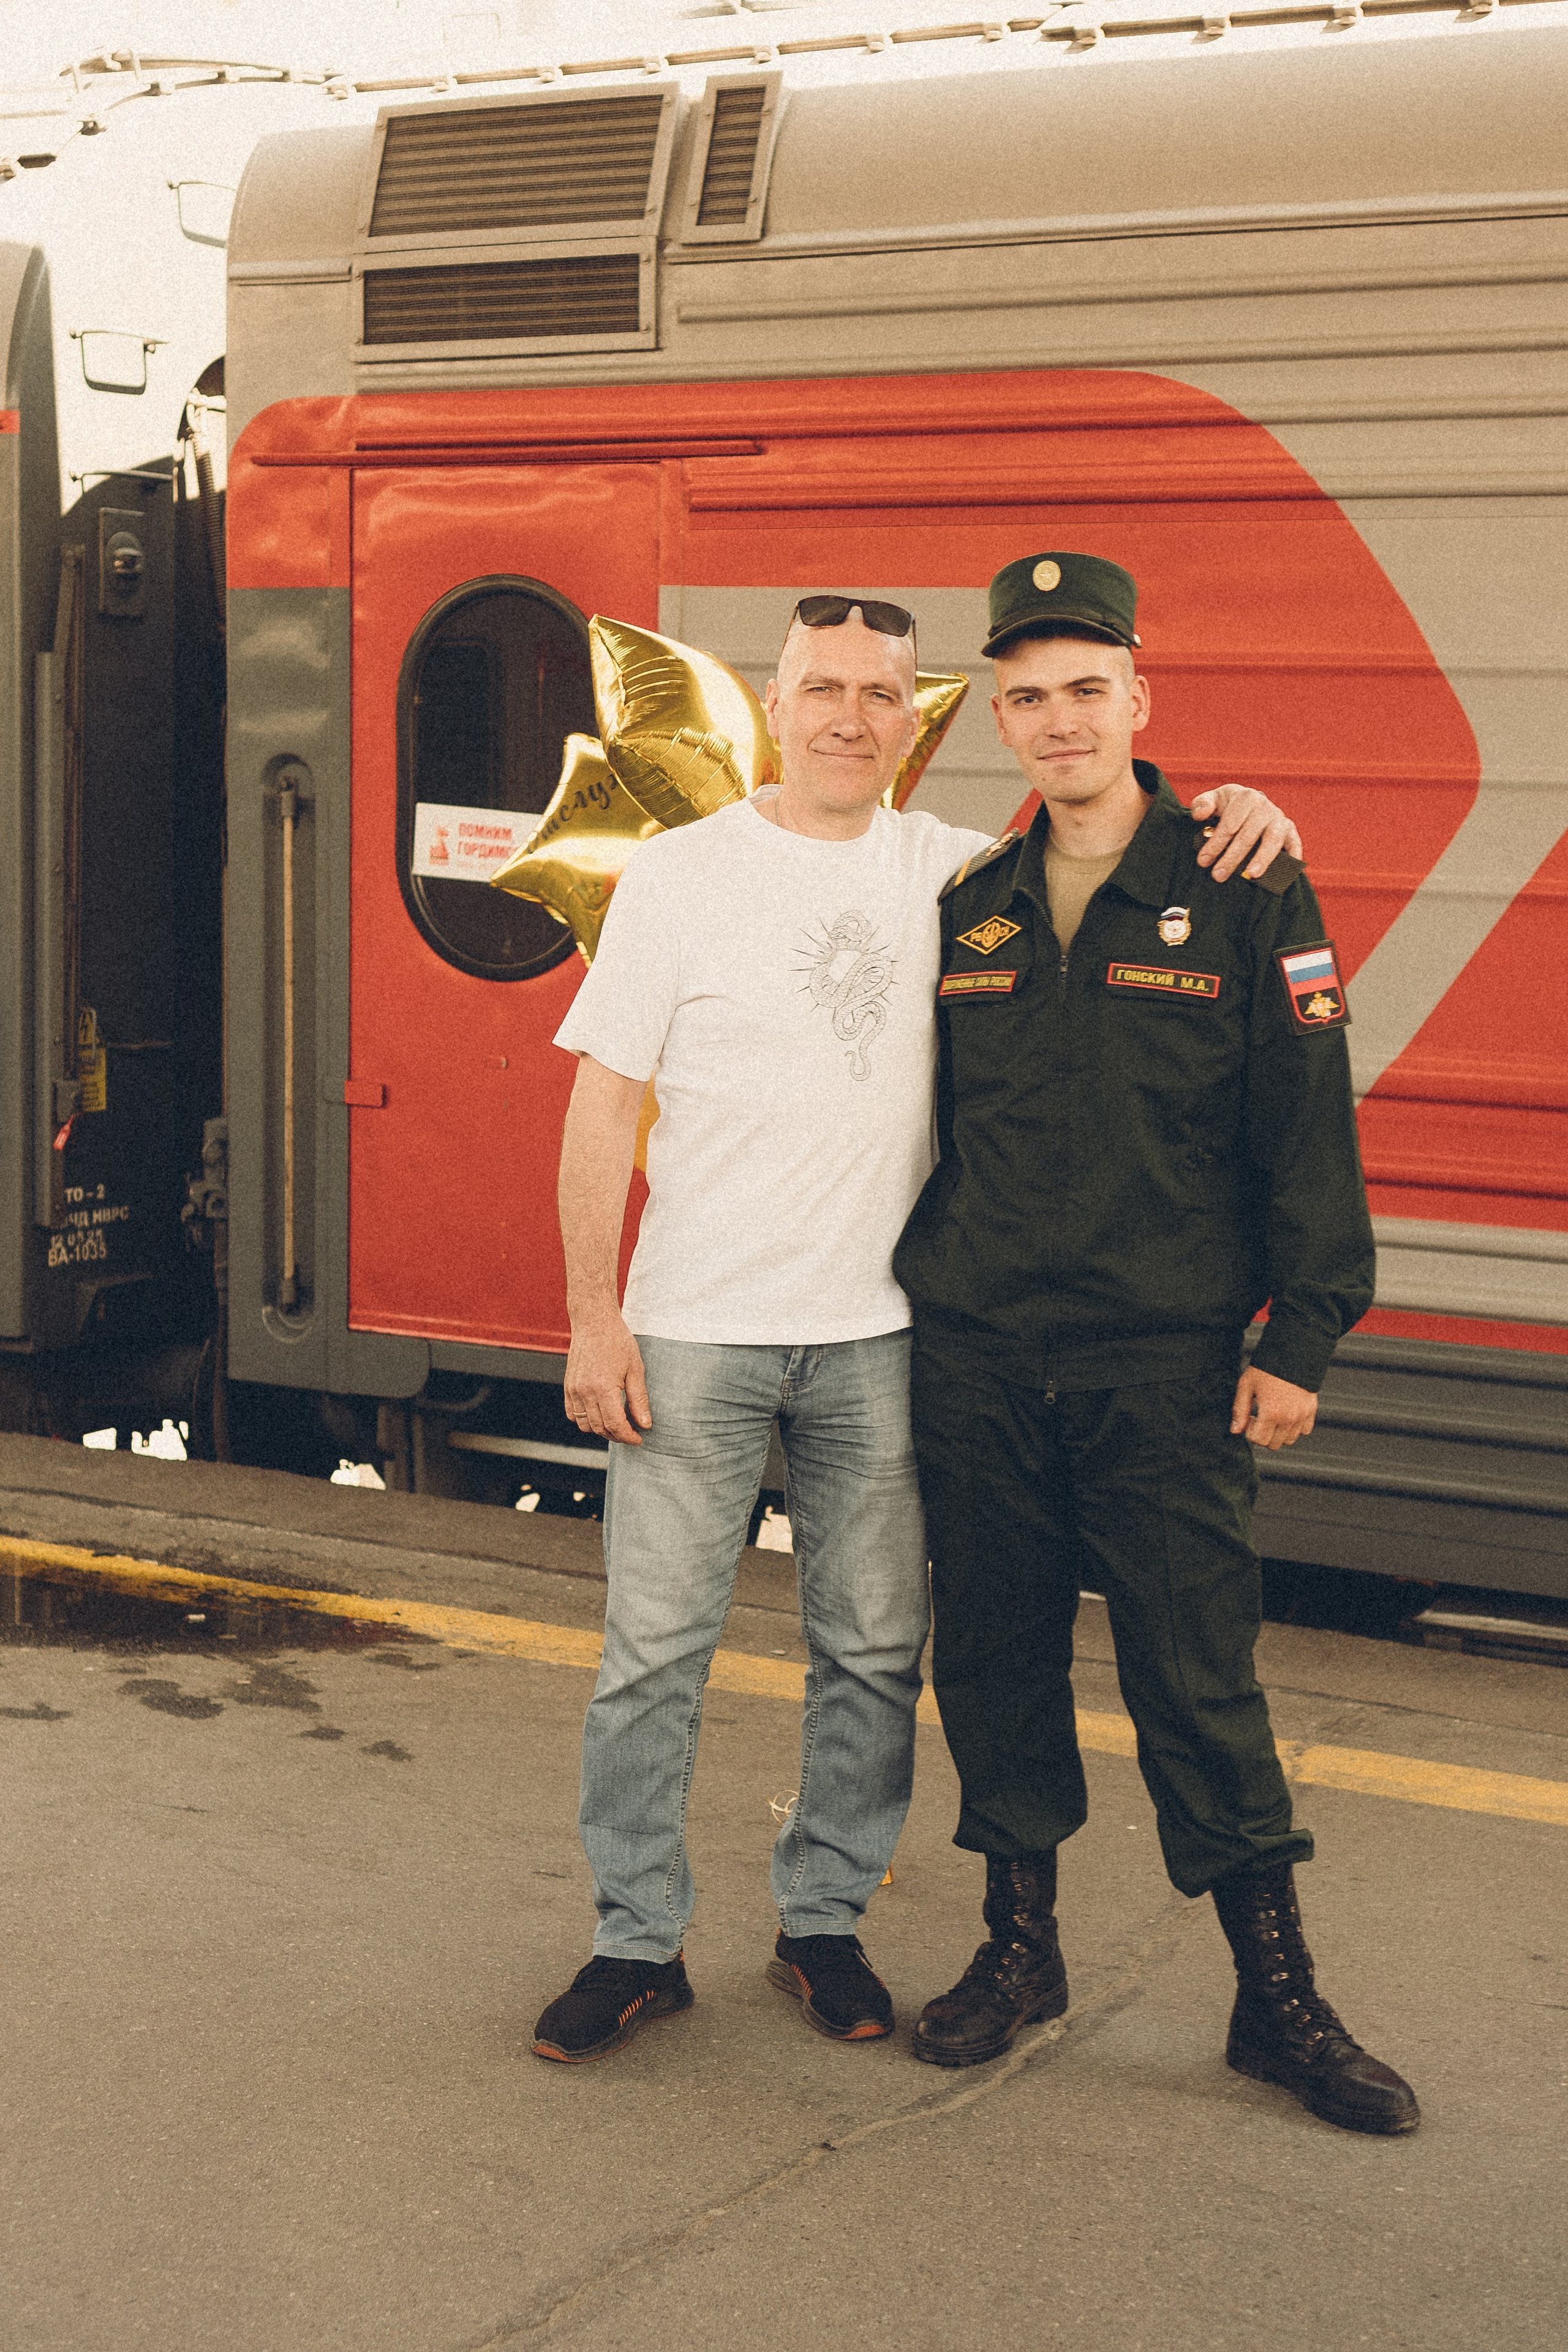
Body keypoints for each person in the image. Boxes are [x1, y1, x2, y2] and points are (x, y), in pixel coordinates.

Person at [532, 592, 1297, 2065]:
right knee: (652, 1655)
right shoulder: (680, 875)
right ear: (775, 698)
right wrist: (592, 1318)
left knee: (874, 1650)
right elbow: (597, 1108)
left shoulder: (956, 871)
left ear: (916, 717)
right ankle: (634, 1939)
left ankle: (820, 1922)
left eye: (880, 695)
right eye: (822, 688)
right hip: (689, 1330)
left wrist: (1237, 811)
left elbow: (1106, 842)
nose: (847, 719)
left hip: (886, 1336)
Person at [892, 552, 1419, 2135]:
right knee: (992, 1660)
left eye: (1086, 691)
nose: (1059, 722)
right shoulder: (968, 908)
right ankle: (1019, 1952)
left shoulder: (1248, 881)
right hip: (981, 1356)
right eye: (1030, 698)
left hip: (1165, 1367)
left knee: (1200, 1678)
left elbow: (1305, 1130)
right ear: (1003, 718)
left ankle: (1277, 2001)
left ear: (1141, 699)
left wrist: (1301, 1337)